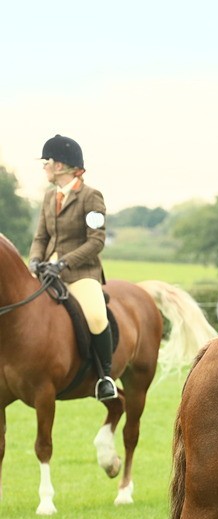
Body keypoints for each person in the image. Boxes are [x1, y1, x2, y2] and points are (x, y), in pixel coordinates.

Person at [28, 134, 116, 401]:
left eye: (47, 162)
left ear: (60, 165)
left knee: (97, 316)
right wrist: (34, 260)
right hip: (46, 270)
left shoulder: (91, 197)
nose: (43, 167)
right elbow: (41, 237)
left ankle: (105, 378)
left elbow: (96, 240)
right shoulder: (48, 197)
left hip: (80, 273)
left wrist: (65, 262)